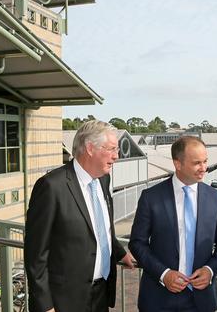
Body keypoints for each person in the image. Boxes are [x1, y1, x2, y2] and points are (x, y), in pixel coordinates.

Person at [24, 120, 135, 312]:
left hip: (100, 295)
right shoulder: (51, 186)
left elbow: (100, 227)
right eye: (111, 149)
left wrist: (119, 251)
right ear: (90, 148)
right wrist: (45, 305)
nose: (116, 156)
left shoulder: (103, 179)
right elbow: (35, 254)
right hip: (64, 301)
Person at [129, 136, 217, 312]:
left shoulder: (216, 198)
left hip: (201, 301)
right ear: (178, 164)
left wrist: (209, 270)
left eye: (205, 161)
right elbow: (137, 243)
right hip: (158, 299)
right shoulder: (151, 197)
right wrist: (164, 274)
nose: (203, 168)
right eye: (196, 163)